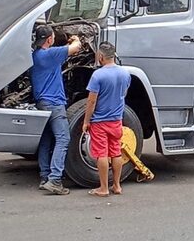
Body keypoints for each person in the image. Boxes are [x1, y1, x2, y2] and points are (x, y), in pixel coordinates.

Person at [31, 25, 81, 195]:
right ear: (50, 40)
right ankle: (55, 179)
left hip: (41, 103)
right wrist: (75, 38)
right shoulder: (51, 54)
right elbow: (76, 48)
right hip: (54, 103)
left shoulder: (35, 55)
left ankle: (44, 177)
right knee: (63, 139)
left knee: (46, 140)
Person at [82, 41, 131, 197]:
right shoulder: (125, 74)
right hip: (116, 120)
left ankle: (103, 188)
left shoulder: (98, 75)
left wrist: (86, 121)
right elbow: (123, 93)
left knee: (101, 154)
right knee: (116, 152)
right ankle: (116, 185)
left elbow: (91, 101)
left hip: (100, 121)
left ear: (100, 56)